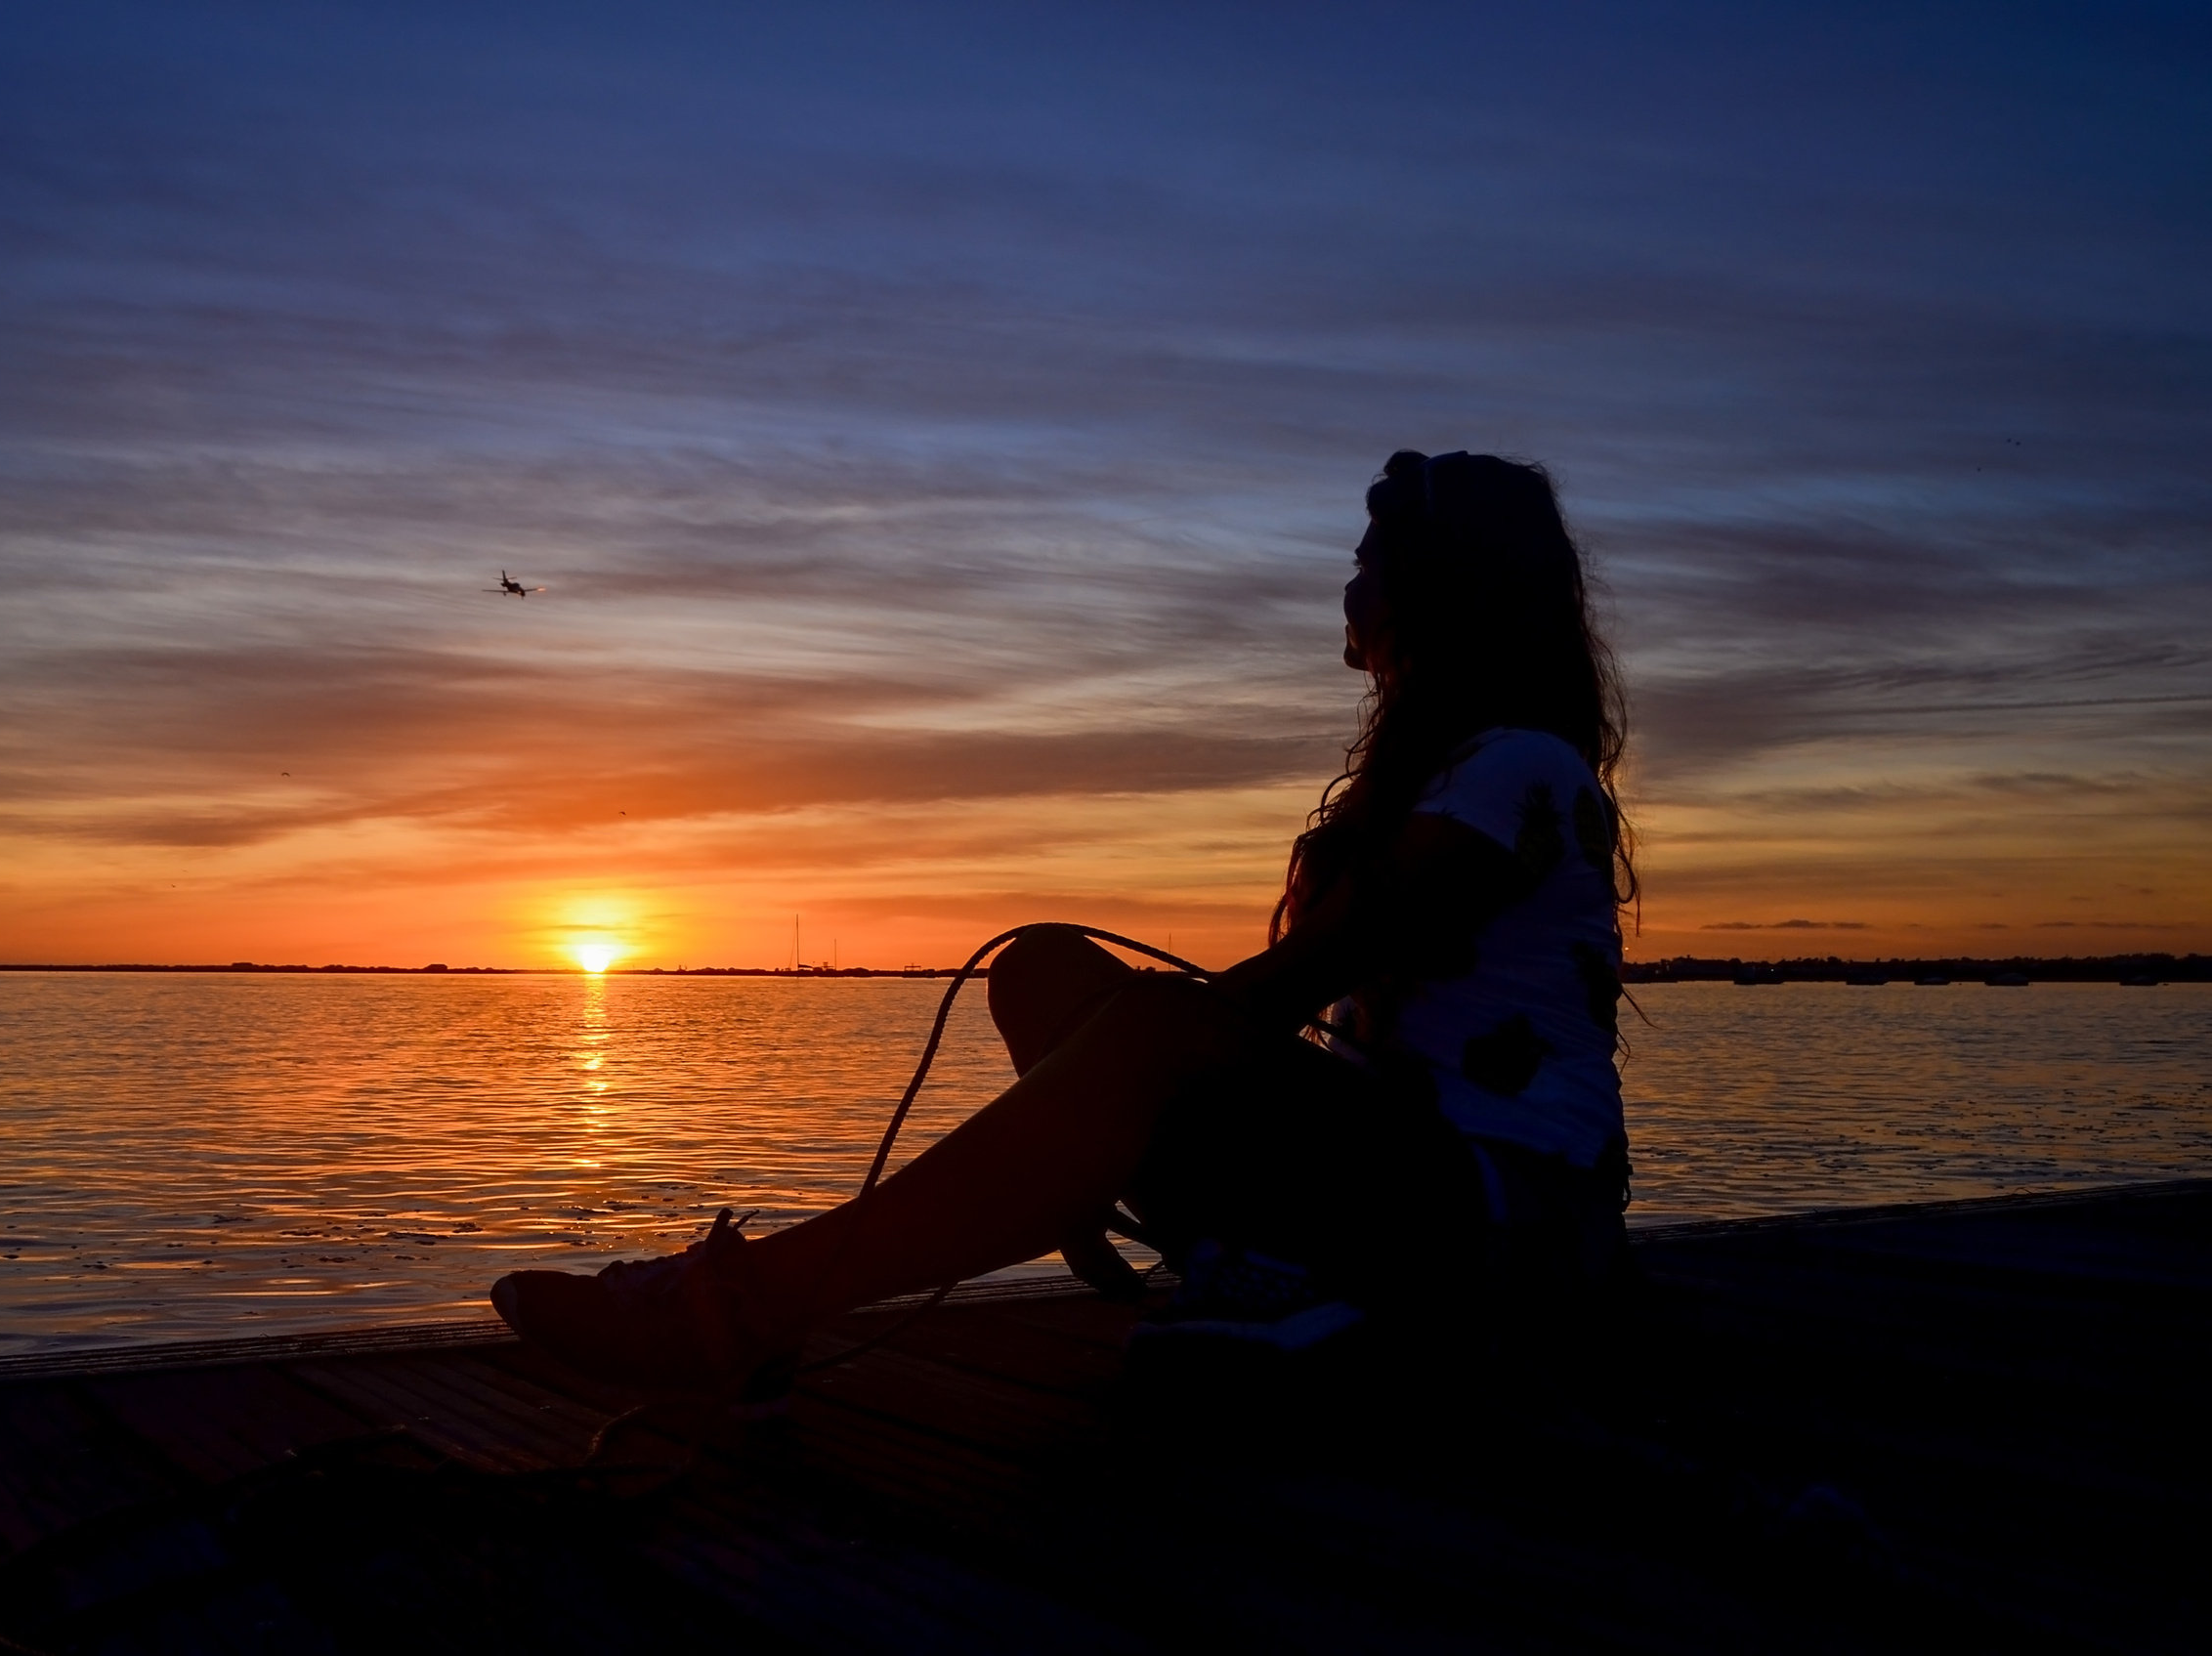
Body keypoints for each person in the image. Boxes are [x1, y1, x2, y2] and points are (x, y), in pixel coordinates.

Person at [492, 449, 1636, 1395]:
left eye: (1363, 568)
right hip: (1390, 1187)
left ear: (1433, 587)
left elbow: (1303, 979)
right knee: (1041, 971)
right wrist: (1097, 1116)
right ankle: (1278, 1280)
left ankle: (744, 1304)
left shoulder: (1519, 770)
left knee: (1147, 1030)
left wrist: (1107, 1113)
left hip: (1506, 1222)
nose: (1344, 593)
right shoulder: (1461, 769)